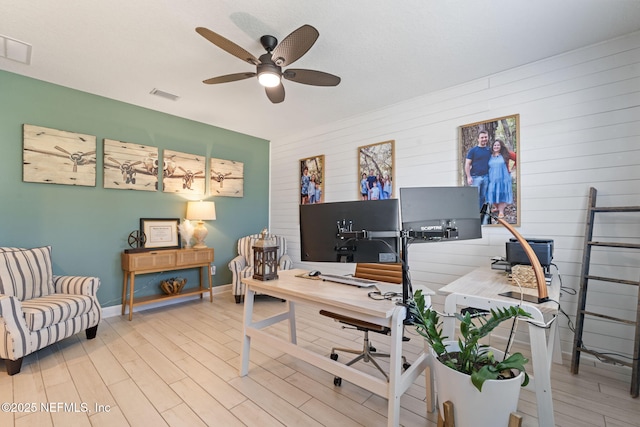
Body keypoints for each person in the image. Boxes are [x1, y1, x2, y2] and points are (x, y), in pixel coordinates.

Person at [486, 139, 514, 219]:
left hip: (503, 179)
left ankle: (501, 211)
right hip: (492, 179)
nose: (496, 146)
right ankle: (497, 207)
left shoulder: (506, 154)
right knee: (492, 193)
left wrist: (513, 168)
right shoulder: (489, 156)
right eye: (495, 145)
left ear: (501, 146)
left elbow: (517, 158)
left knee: (501, 194)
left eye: (498, 145)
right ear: (492, 146)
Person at [464, 130, 491, 213]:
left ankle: (479, 213)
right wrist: (468, 177)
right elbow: (467, 164)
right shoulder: (473, 150)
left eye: (485, 137)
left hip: (486, 177)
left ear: (488, 138)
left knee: (483, 196)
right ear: (478, 139)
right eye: (482, 137)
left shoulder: (489, 150)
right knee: (474, 196)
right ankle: (472, 212)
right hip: (475, 177)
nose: (484, 139)